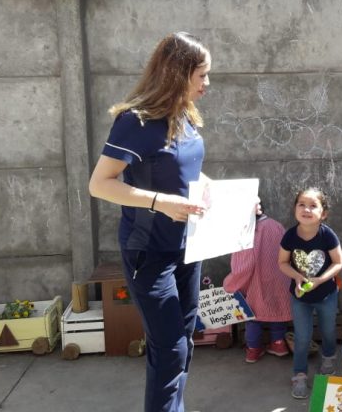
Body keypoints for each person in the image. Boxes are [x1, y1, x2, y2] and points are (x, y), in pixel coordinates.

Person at [88, 32, 211, 412]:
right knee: (170, 345)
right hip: (149, 252)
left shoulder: (186, 114)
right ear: (178, 73)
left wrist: (230, 202)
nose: (208, 83)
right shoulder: (135, 122)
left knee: (184, 340)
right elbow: (99, 185)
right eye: (202, 75)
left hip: (189, 246)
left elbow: (189, 176)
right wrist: (159, 202)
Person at [278, 187, 342, 400]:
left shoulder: (327, 235)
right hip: (299, 297)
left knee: (327, 330)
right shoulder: (289, 236)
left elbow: (338, 262)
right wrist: (297, 277)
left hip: (326, 294)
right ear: (295, 209)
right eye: (301, 204)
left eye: (313, 205)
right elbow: (282, 262)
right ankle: (299, 374)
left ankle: (328, 357)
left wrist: (320, 280)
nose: (306, 209)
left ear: (323, 213)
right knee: (302, 336)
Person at [223, 200, 292, 363]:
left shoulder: (245, 231)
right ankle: (278, 344)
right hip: (280, 279)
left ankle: (253, 349)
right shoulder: (276, 226)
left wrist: (231, 283)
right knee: (278, 313)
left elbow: (242, 266)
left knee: (252, 317)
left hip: (255, 282)